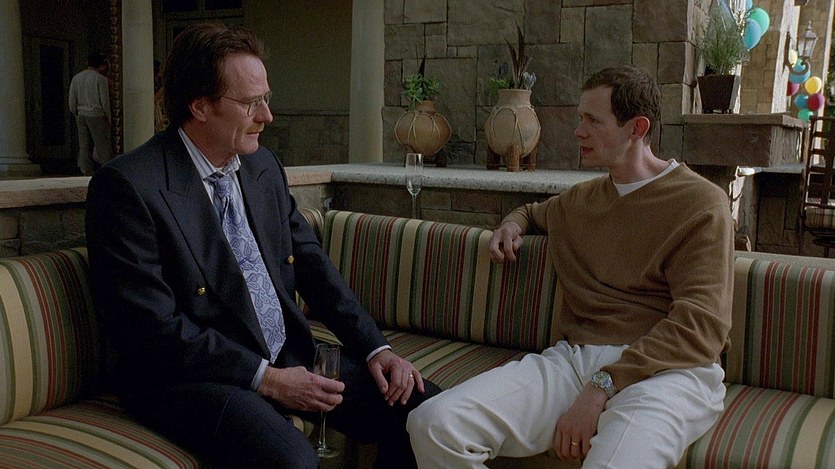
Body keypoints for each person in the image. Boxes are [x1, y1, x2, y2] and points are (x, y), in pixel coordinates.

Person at [85, 23, 439, 469]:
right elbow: (153, 331)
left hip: (285, 353)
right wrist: (267, 380)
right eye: (251, 103)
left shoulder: (262, 166)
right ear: (200, 106)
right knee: (294, 462)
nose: (267, 116)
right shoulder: (128, 187)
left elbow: (312, 266)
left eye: (266, 98)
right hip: (191, 377)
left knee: (426, 411)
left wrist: (376, 349)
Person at [407, 65, 734, 468]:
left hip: (670, 372)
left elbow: (702, 326)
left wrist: (601, 388)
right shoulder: (582, 200)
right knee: (433, 424)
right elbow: (532, 212)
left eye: (593, 121)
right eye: (581, 118)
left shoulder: (701, 204)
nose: (578, 131)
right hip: (576, 361)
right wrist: (511, 225)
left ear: (637, 128)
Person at [69, 51, 112, 175]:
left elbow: (72, 99)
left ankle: (86, 168)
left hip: (81, 113)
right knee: (101, 144)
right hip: (96, 114)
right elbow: (104, 101)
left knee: (84, 144)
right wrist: (108, 117)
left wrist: (75, 112)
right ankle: (106, 168)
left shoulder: (76, 78)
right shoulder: (100, 79)